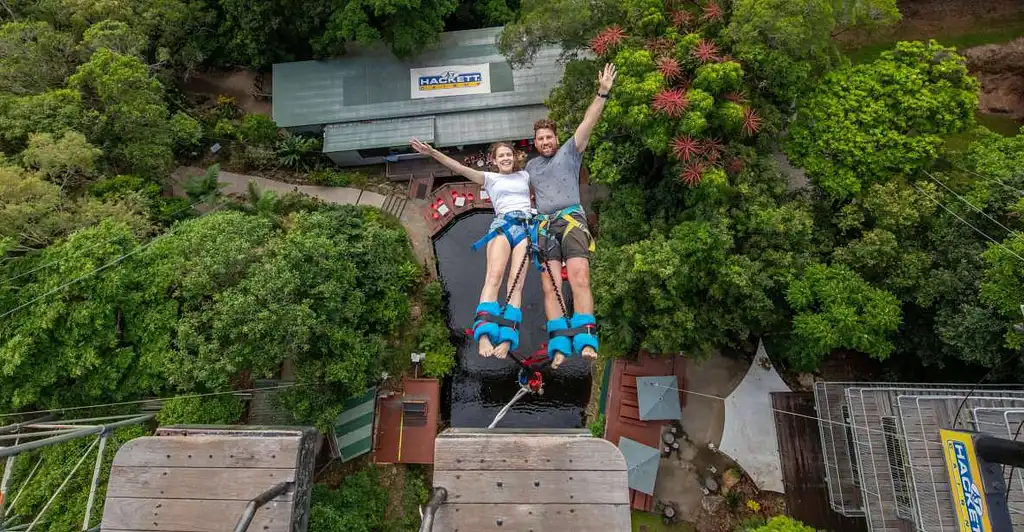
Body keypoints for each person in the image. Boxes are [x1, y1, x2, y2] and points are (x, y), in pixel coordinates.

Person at [527, 63, 617, 369]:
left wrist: (603, 93)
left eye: (548, 137)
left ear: (555, 137)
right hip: (544, 226)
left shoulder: (570, 151)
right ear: (535, 143)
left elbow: (588, 123)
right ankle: (560, 342)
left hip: (571, 221)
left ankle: (586, 338)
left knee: (579, 277)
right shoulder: (530, 168)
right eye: (540, 139)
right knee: (549, 287)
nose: (545, 142)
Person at [410, 138, 533, 359]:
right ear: (494, 161)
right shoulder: (489, 178)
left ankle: (506, 337)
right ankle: (485, 334)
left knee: (517, 284)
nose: (506, 158)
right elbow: (458, 167)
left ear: (514, 157)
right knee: (493, 278)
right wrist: (433, 153)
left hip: (525, 228)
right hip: (503, 226)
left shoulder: (525, 175)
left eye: (508, 154)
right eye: (501, 155)